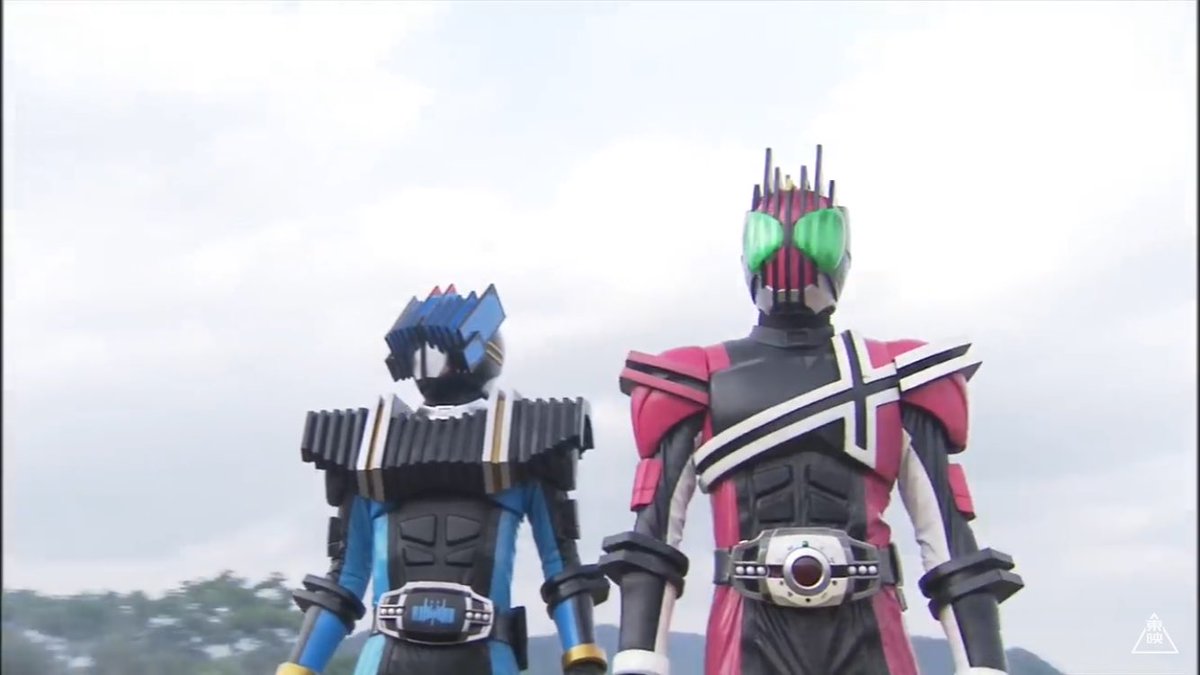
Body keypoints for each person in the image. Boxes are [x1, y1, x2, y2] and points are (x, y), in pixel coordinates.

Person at [599, 147, 1024, 675]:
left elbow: (949, 539)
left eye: (814, 236)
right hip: (748, 628)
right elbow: (653, 539)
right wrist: (639, 658)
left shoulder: (895, 375)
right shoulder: (696, 378)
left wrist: (983, 665)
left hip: (867, 626)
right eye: (769, 237)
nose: (789, 251)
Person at [276, 284, 609, 675]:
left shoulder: (527, 444)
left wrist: (583, 656)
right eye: (421, 355)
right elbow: (344, 581)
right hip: (389, 653)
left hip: (484, 652)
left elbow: (562, 567)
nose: (429, 367)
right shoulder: (365, 448)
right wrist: (299, 668)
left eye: (438, 353)